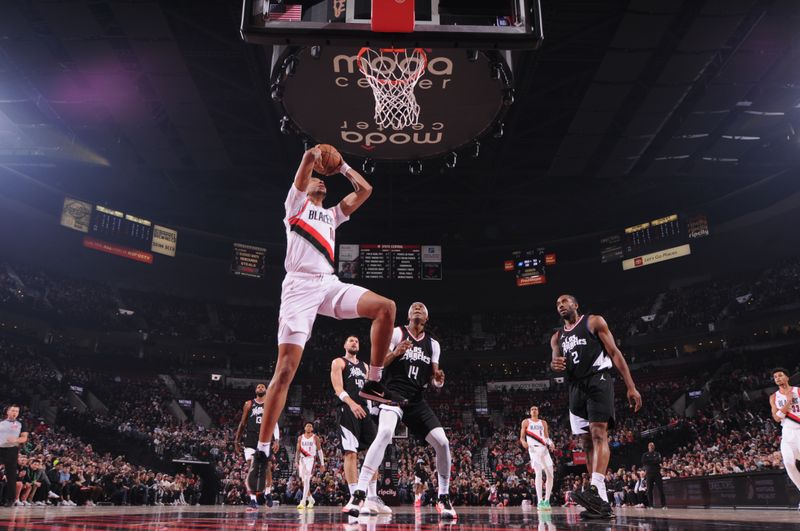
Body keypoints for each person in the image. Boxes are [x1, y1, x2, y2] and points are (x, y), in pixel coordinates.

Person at [257, 147, 403, 457]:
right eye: (315, 180)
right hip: (298, 286)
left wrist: (343, 167)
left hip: (328, 284)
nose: (321, 182)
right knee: (284, 370)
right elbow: (307, 162)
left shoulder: (332, 215)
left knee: (386, 307)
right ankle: (262, 452)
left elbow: (365, 190)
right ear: (305, 186)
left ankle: (373, 383)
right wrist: (315, 154)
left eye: (324, 181)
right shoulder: (294, 207)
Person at [346, 302, 456, 519]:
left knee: (443, 442)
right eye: (413, 307)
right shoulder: (397, 333)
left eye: (422, 308)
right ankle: (358, 494)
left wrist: (439, 381)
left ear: (426, 318)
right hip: (392, 395)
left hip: (415, 400)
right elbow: (379, 362)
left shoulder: (433, 344)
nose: (417, 308)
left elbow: (435, 377)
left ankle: (443, 497)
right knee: (385, 433)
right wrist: (395, 352)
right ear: (408, 315)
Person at [550, 295, 641, 519]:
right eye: (557, 304)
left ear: (575, 304)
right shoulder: (556, 337)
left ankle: (594, 487)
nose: (561, 305)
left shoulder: (593, 322)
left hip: (597, 379)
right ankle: (599, 503)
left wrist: (631, 387)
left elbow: (615, 353)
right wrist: (554, 364)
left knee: (599, 434)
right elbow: (555, 362)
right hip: (575, 388)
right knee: (586, 443)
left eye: (564, 301)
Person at [330, 336, 389, 515]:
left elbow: (369, 390)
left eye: (356, 340)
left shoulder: (364, 366)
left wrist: (376, 408)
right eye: (350, 340)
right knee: (351, 453)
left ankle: (371, 498)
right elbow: (338, 389)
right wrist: (352, 404)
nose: (354, 342)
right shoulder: (338, 362)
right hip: (347, 409)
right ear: (345, 345)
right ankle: (355, 497)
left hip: (365, 410)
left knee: (373, 453)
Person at [234, 383, 279, 512]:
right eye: (258, 387)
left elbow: (274, 423)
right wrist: (236, 440)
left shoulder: (269, 403)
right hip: (251, 439)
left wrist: (277, 440)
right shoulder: (249, 404)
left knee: (267, 468)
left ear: (266, 390)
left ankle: (268, 493)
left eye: (262, 387)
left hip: (265, 439)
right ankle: (253, 500)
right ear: (255, 390)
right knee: (251, 468)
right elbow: (242, 423)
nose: (260, 388)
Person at [769, 367, 800, 510]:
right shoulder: (774, 397)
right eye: (775, 377)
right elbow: (776, 418)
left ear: (787, 377)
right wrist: (788, 403)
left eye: (780, 375)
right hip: (787, 432)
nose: (778, 378)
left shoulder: (798, 391)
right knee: (788, 463)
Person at [519, 405, 554, 511]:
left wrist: (551, 443)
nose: (534, 410)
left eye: (535, 409)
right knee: (538, 472)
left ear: (538, 411)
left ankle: (547, 500)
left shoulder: (543, 423)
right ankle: (539, 501)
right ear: (530, 412)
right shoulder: (526, 422)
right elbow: (522, 437)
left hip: (544, 449)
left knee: (550, 475)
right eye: (532, 409)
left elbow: (546, 437)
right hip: (533, 449)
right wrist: (524, 442)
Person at [0, 405, 28, 507]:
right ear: (7, 412)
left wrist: (16, 440)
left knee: (11, 475)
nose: (15, 412)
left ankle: (10, 499)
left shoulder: (21, 423)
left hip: (12, 450)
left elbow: (24, 438)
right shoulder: (1, 423)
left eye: (17, 411)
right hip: (0, 448)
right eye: (13, 410)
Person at [295, 423, 324, 509]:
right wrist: (296, 461)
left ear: (312, 428)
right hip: (302, 459)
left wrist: (322, 463)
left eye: (310, 426)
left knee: (307, 479)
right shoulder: (300, 438)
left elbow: (320, 451)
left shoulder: (315, 438)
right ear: (304, 428)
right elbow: (297, 450)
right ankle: (311, 499)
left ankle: (303, 501)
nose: (309, 427)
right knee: (304, 481)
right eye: (307, 426)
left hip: (310, 459)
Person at [641, 442, 666, 509]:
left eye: (652, 446)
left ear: (654, 447)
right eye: (650, 446)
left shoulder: (657, 453)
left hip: (657, 473)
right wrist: (653, 461)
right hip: (649, 474)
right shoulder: (645, 454)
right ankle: (651, 505)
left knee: (661, 489)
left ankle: (663, 505)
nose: (651, 447)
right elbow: (644, 461)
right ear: (648, 447)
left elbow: (658, 460)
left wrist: (650, 461)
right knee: (649, 490)